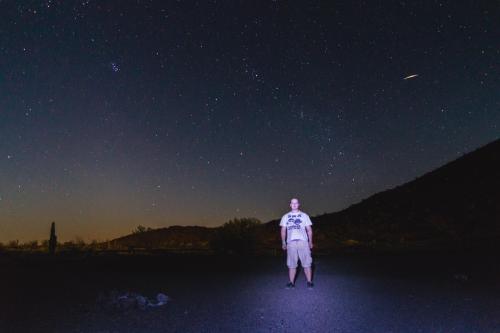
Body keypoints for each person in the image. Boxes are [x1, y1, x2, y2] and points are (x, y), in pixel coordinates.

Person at [280, 197, 314, 289]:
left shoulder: (304, 216)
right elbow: (283, 231)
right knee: (292, 264)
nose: (294, 204)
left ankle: (309, 282)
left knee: (307, 263)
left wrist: (310, 241)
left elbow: (309, 230)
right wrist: (283, 242)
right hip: (291, 243)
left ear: (299, 204)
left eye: (296, 203)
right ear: (290, 205)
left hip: (303, 242)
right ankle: (291, 282)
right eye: (292, 203)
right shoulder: (285, 216)